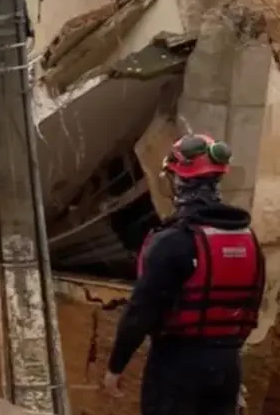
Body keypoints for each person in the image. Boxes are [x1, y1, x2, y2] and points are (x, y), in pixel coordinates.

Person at [103, 133, 264, 414]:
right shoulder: (248, 240)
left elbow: (140, 311)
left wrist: (116, 365)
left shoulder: (172, 241)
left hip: (176, 366)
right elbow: (252, 303)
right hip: (227, 367)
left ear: (177, 180)